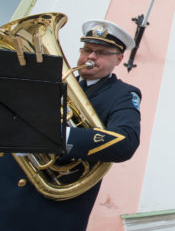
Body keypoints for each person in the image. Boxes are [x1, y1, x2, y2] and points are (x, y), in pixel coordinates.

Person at [0, 19, 141, 231]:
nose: (90, 57)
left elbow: (126, 142)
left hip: (50, 208)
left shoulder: (123, 94)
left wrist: (53, 136)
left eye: (101, 52)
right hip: (8, 188)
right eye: (87, 50)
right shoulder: (55, 82)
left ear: (119, 59)